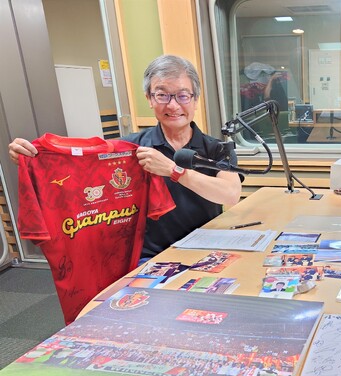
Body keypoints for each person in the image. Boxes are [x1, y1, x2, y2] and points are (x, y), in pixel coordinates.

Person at [8, 54, 242, 260]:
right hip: (150, 258)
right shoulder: (129, 148)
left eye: (182, 96)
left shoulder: (217, 148)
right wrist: (35, 156)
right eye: (162, 95)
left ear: (195, 100)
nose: (173, 105)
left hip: (207, 250)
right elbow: (78, 160)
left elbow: (230, 194)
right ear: (149, 99)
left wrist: (173, 170)